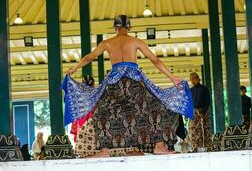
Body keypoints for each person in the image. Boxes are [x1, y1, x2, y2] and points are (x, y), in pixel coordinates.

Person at [63, 15, 193, 157]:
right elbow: (155, 60)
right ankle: (159, 146)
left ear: (115, 28)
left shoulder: (107, 43)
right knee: (157, 106)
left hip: (114, 84)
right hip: (134, 83)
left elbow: (89, 57)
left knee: (103, 112)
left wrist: (74, 68)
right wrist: (172, 77)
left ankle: (105, 151)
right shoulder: (136, 41)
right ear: (129, 27)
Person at [188, 72, 211, 152]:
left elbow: (207, 101)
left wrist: (203, 112)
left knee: (204, 129)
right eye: (191, 79)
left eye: (194, 79)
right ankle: (194, 147)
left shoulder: (204, 89)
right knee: (193, 130)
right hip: (194, 113)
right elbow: (189, 102)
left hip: (203, 112)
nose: (193, 81)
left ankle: (207, 147)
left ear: (198, 79)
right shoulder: (190, 90)